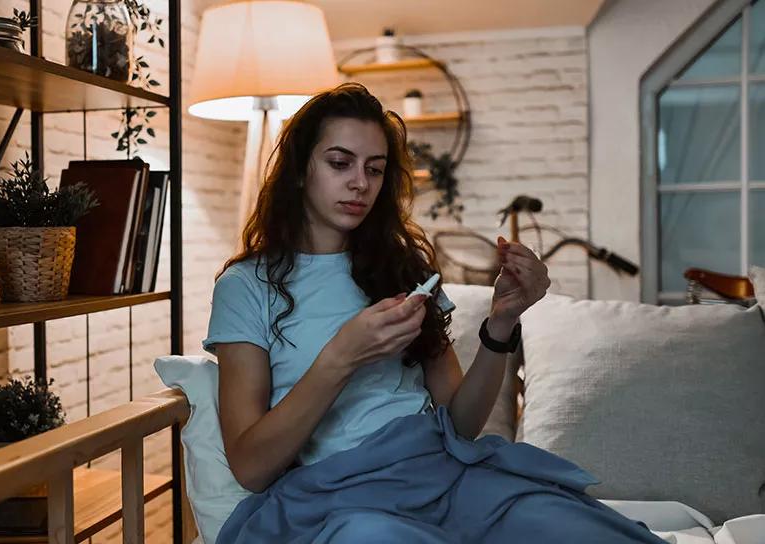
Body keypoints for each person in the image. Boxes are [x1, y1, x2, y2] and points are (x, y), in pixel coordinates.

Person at [202, 83, 663, 543]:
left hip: (445, 476)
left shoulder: (402, 269)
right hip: (338, 498)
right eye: (340, 163)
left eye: (375, 169)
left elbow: (460, 425)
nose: (360, 183)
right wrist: (341, 357)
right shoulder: (247, 287)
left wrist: (500, 323)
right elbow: (251, 466)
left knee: (576, 529)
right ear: (301, 170)